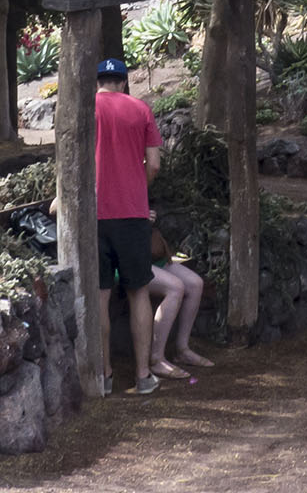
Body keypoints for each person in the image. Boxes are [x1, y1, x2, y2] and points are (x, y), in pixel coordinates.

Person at [93, 57, 163, 394]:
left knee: (100, 296)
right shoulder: (141, 109)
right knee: (139, 293)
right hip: (133, 214)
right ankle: (142, 376)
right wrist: (138, 186)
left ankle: (103, 376)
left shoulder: (85, 109)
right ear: (123, 81)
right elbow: (155, 165)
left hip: (93, 215)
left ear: (98, 81)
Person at [143, 223, 214, 380]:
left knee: (195, 284)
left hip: (151, 255)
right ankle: (156, 359)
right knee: (175, 288)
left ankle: (182, 350)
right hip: (127, 258)